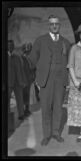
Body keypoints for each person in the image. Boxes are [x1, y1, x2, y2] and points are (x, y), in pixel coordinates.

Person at [28, 15, 71, 146]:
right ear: (49, 25)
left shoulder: (66, 42)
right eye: (52, 24)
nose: (54, 26)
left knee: (58, 107)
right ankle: (46, 135)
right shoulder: (40, 41)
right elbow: (31, 60)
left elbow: (69, 62)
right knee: (46, 108)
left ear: (59, 25)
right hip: (45, 80)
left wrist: (68, 80)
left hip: (60, 80)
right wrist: (37, 78)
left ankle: (56, 133)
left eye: (56, 24)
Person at [8, 40, 27, 120]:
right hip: (8, 82)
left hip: (18, 81)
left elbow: (21, 70)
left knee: (20, 98)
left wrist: (23, 81)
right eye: (9, 45)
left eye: (12, 45)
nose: (11, 47)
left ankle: (21, 114)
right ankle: (8, 116)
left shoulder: (17, 57)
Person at [21, 43, 35, 117]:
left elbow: (31, 68)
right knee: (24, 95)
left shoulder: (28, 58)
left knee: (27, 95)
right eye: (28, 50)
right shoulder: (22, 59)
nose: (29, 52)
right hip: (24, 80)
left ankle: (26, 109)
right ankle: (24, 111)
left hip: (28, 79)